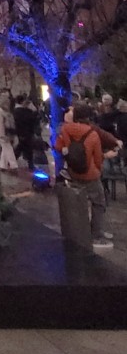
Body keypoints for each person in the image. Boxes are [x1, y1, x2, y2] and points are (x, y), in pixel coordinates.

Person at [55, 102, 120, 249]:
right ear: (88, 117)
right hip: (90, 174)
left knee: (79, 202)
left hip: (73, 172)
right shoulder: (92, 134)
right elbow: (97, 158)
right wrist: (105, 157)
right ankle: (97, 235)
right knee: (99, 203)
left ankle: (82, 231)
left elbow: (58, 146)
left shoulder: (65, 129)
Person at [13, 94, 39, 170]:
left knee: (21, 148)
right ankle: (30, 165)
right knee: (26, 149)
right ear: (22, 102)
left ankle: (12, 162)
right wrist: (34, 110)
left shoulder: (16, 111)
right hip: (26, 132)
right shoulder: (23, 111)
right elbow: (32, 119)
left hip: (21, 133)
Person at [0, 95, 18, 171]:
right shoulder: (0, 113)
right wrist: (2, 135)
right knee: (8, 148)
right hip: (3, 133)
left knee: (5, 149)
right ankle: (13, 165)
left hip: (8, 132)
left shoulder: (5, 112)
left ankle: (3, 165)